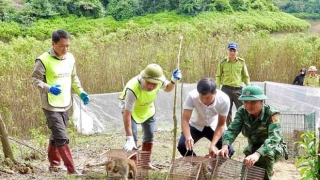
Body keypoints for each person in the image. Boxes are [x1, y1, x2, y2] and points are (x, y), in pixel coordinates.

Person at [31, 29, 90, 175]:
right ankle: (71, 170)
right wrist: (48, 88)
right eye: (62, 46)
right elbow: (35, 80)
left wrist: (81, 92)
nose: (65, 49)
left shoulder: (70, 58)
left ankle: (54, 164)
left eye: (67, 46)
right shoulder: (43, 60)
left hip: (65, 102)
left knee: (56, 134)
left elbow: (74, 77)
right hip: (51, 105)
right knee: (62, 136)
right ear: (53, 44)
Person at [215, 85, 287, 180]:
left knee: (266, 158)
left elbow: (274, 138)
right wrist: (225, 146)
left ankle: (268, 172)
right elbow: (232, 130)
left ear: (262, 102)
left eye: (253, 102)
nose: (249, 106)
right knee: (247, 173)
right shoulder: (242, 112)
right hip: (253, 147)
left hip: (274, 147)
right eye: (245, 102)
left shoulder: (273, 114)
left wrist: (257, 154)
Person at [119, 63, 181, 169]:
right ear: (143, 78)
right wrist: (129, 138)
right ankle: (133, 167)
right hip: (131, 112)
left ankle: (145, 163)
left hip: (148, 109)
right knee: (132, 137)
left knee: (150, 135)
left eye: (154, 84)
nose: (151, 87)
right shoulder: (132, 88)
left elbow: (167, 88)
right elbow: (127, 114)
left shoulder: (159, 81)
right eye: (149, 83)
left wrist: (173, 80)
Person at [177, 78, 235, 157]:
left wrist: (212, 145)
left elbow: (221, 125)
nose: (204, 100)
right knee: (182, 146)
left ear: (215, 93)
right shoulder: (191, 96)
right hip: (195, 125)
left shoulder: (224, 100)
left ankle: (212, 167)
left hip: (214, 126)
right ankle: (199, 166)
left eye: (208, 98)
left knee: (228, 150)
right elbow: (185, 120)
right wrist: (188, 137)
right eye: (201, 97)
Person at [215, 42, 250, 127]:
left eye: (234, 50)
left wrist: (248, 87)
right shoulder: (222, 62)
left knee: (243, 110)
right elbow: (218, 76)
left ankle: (244, 128)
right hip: (226, 90)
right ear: (228, 51)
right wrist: (217, 89)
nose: (232, 52)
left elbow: (245, 76)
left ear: (237, 52)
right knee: (226, 110)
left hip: (238, 90)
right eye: (230, 50)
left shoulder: (241, 62)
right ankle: (229, 130)